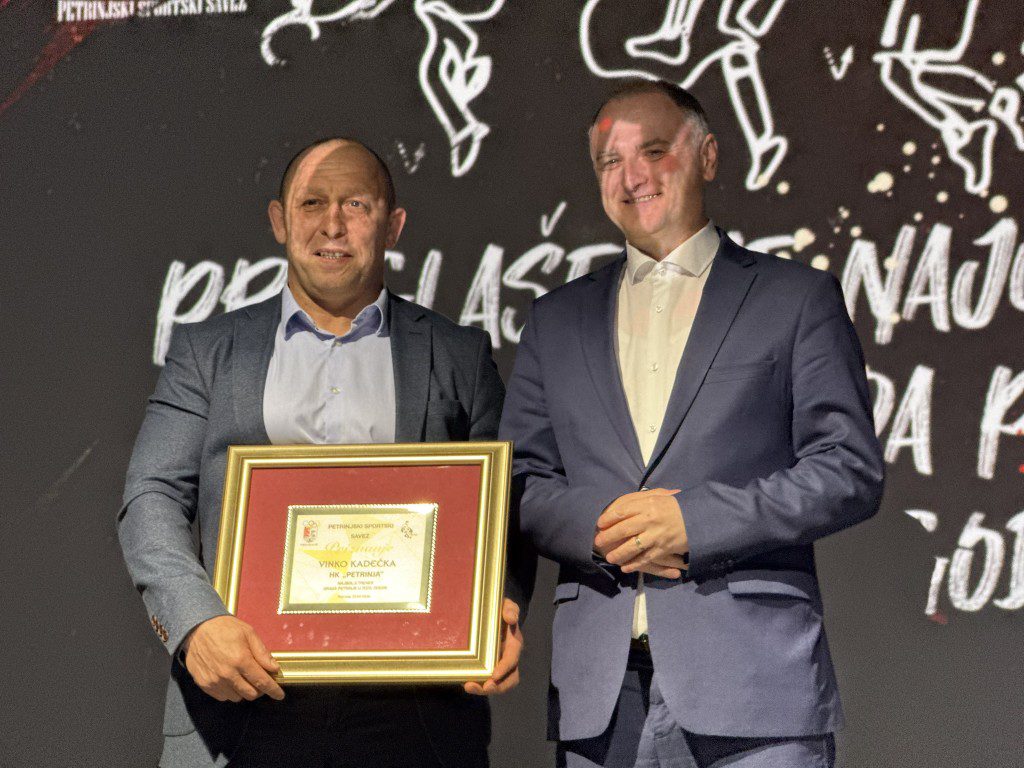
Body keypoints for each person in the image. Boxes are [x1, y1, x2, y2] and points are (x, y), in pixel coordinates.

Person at [499, 80, 884, 768]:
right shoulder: (556, 319)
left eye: (654, 151)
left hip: (756, 689)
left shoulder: (795, 298)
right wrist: (609, 527)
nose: (631, 176)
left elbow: (847, 469)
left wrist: (693, 523)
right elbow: (523, 480)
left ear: (707, 156)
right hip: (601, 698)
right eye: (610, 161)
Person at [118, 137, 523, 768]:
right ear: (279, 220)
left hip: (416, 720)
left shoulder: (458, 355)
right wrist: (197, 624)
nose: (332, 224)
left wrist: (498, 611)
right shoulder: (208, 352)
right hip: (240, 710)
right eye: (312, 203)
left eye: (355, 204)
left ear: (393, 225)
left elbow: (503, 509)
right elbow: (152, 497)